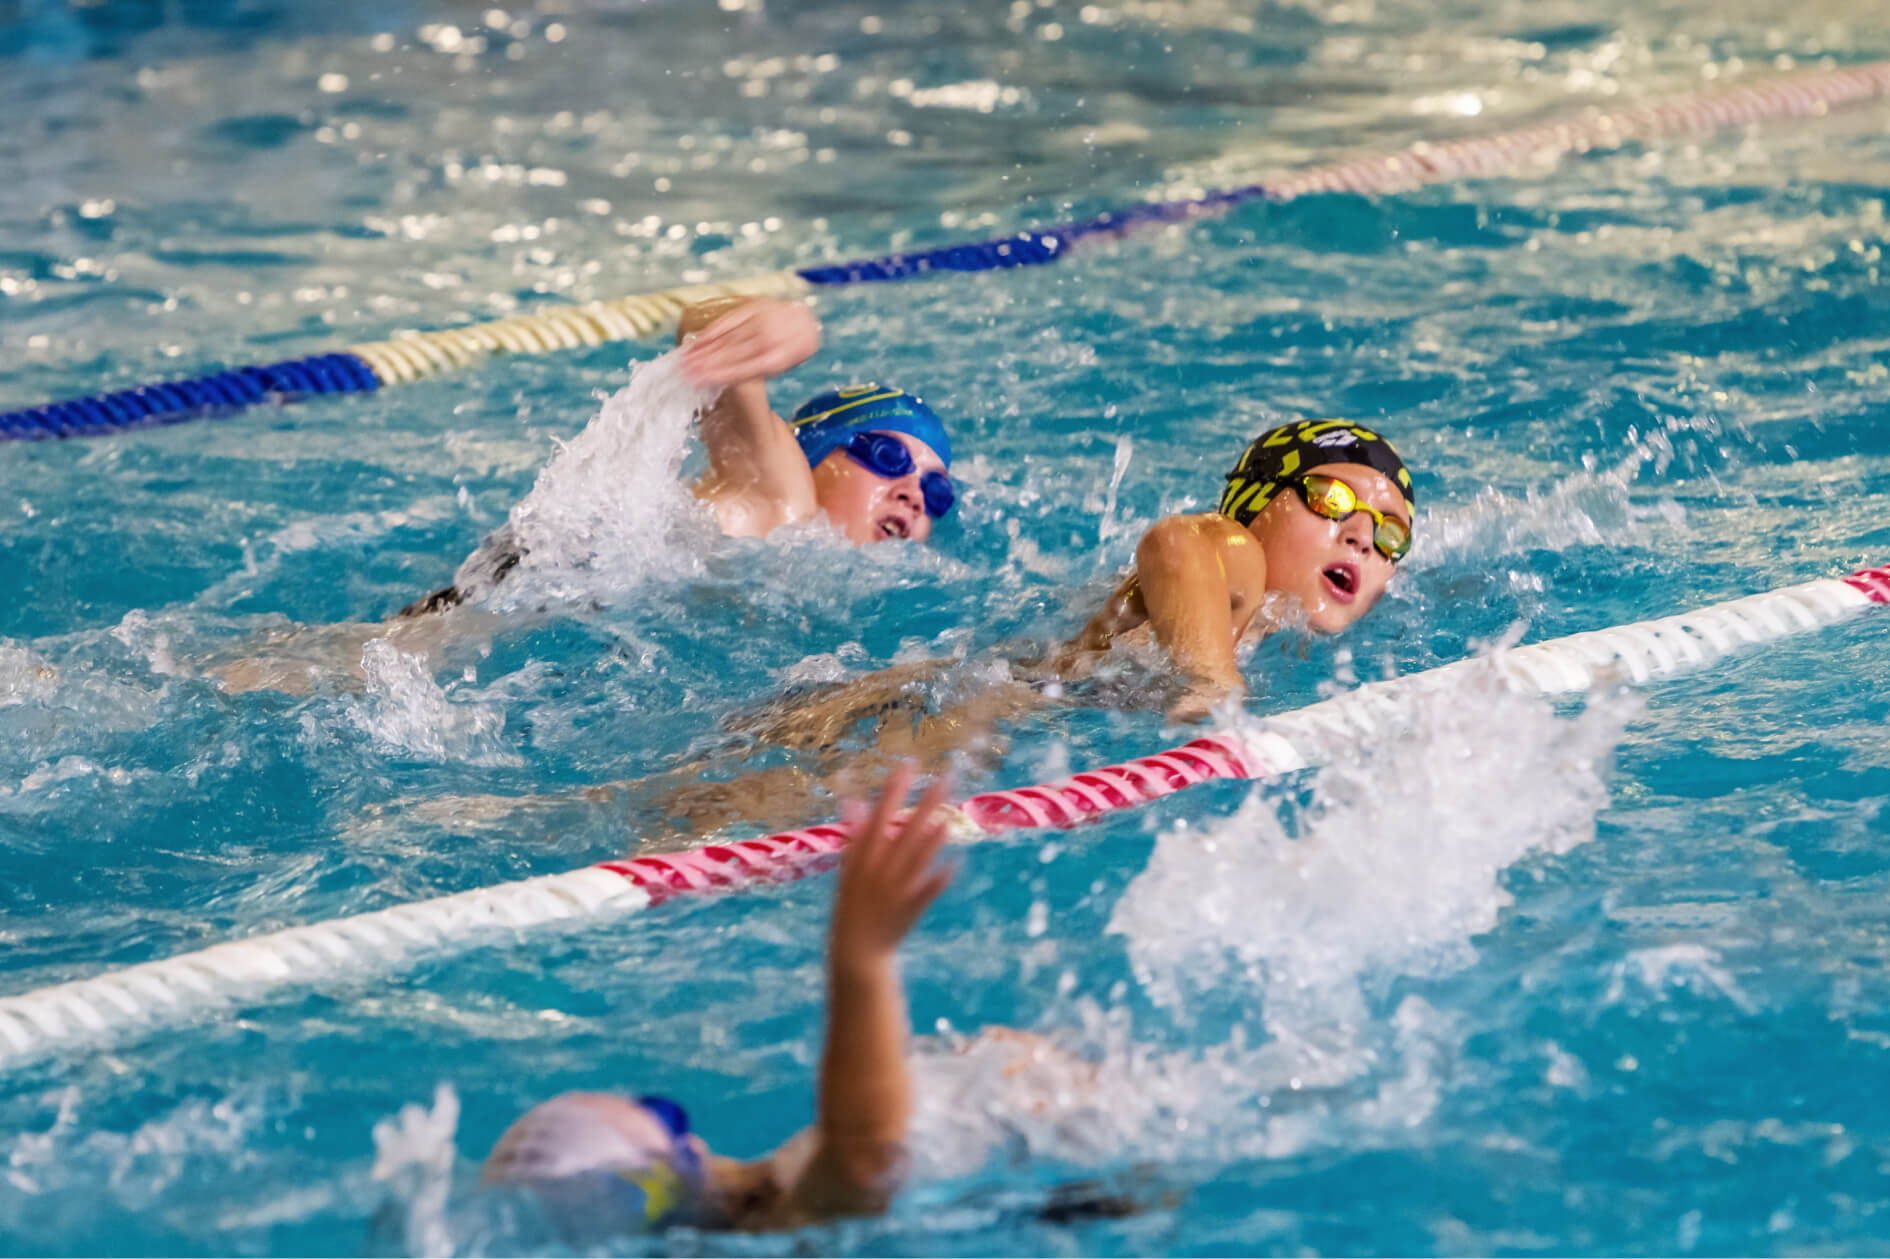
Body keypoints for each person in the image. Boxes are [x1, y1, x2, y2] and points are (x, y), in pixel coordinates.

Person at [482, 762, 957, 1233]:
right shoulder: (790, 1219)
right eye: (662, 1115)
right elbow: (864, 1157)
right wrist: (862, 959)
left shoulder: (775, 1188)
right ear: (667, 1179)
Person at [399, 295, 956, 615]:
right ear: (809, 449)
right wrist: (789, 323)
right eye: (887, 456)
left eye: (936, 493)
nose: (913, 495)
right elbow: (700, 327)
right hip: (467, 626)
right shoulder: (783, 499)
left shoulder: (810, 566)